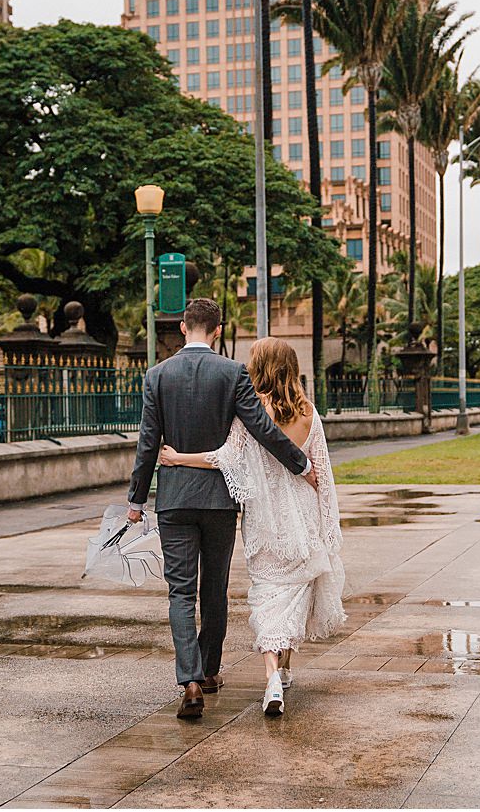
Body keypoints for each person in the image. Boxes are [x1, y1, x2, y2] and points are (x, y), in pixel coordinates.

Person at [125, 300, 317, 720]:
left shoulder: (157, 376)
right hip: (218, 500)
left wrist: (137, 500)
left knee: (180, 592)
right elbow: (262, 429)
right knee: (214, 589)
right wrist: (301, 464)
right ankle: (210, 671)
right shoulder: (232, 373)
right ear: (218, 330)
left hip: (174, 499)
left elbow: (147, 443)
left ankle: (189, 679)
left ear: (181, 327)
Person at [158, 337, 347, 717]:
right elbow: (322, 475)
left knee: (267, 596)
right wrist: (328, 526)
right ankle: (283, 671)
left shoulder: (250, 413)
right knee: (294, 593)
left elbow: (224, 458)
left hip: (263, 522)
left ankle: (273, 673)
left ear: (262, 368)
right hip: (303, 518)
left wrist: (179, 458)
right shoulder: (310, 414)